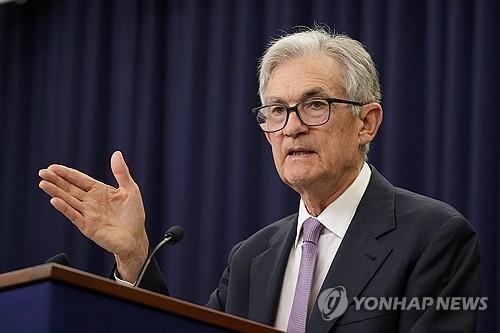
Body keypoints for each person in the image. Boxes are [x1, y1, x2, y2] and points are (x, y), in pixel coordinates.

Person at [38, 27, 481, 332]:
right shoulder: (252, 257)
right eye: (276, 111)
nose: (291, 128)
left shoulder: (432, 236)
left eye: (314, 105)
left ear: (367, 122)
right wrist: (135, 257)